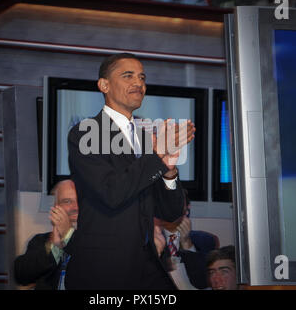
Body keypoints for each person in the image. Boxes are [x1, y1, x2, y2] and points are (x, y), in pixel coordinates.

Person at [65, 53, 196, 289]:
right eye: (128, 76)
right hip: (103, 270)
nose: (139, 83)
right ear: (104, 85)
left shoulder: (145, 140)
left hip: (146, 264)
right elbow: (112, 192)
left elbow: (171, 212)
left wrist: (169, 171)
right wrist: (157, 156)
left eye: (142, 77)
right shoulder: (85, 133)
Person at [14, 179, 78, 290]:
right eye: (67, 201)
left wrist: (68, 235)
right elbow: (21, 275)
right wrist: (54, 247)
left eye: (79, 200)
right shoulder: (41, 241)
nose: (75, 207)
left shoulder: (100, 243)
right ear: (55, 208)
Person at [155, 191, 219, 289]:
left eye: (176, 203)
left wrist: (187, 244)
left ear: (187, 209)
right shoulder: (151, 240)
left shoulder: (205, 241)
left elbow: (202, 283)